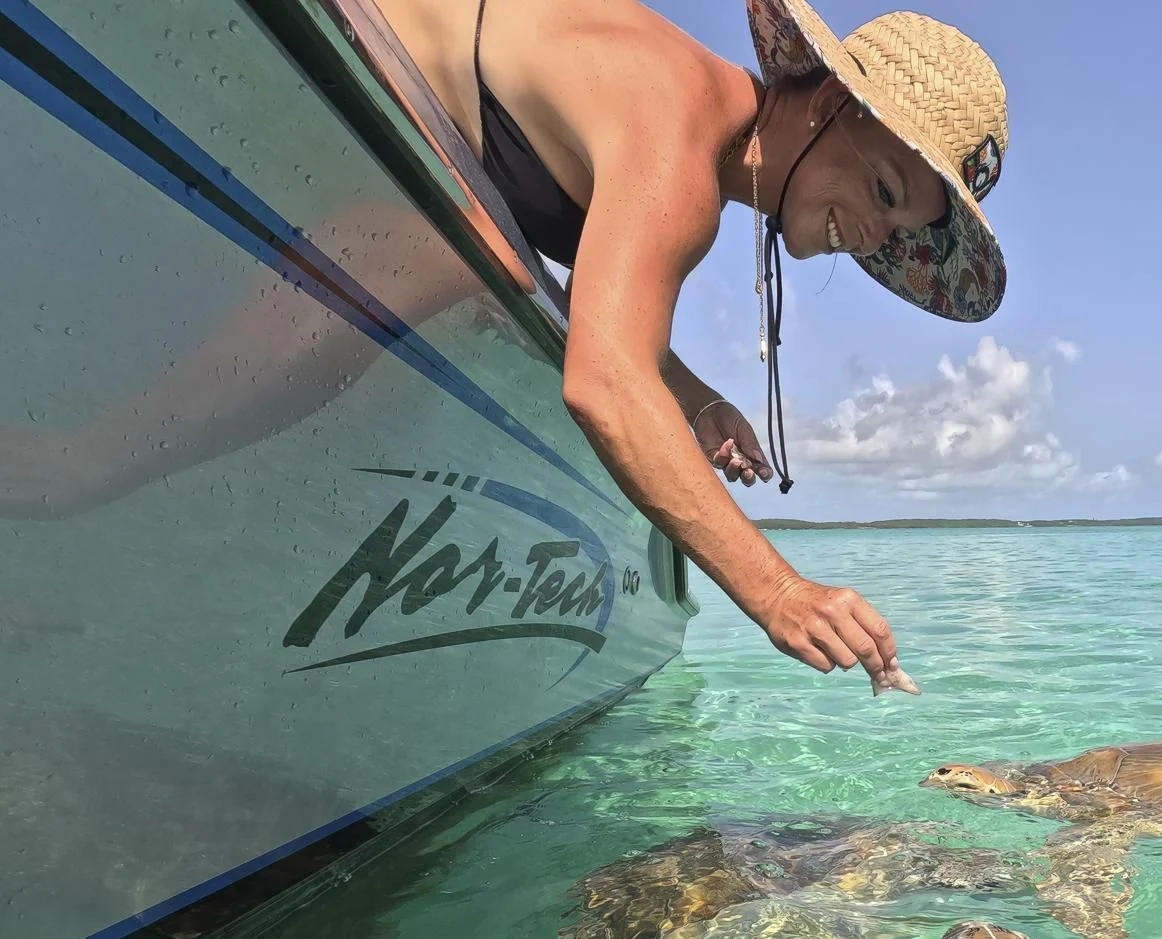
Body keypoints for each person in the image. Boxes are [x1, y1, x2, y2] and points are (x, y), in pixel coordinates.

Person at [6, 0, 1012, 695]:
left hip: (367, 166)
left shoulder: (696, 133)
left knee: (457, 255)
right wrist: (777, 589)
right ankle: (74, 466)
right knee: (440, 255)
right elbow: (604, 384)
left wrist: (692, 392)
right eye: (885, 192)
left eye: (902, 229)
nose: (880, 236)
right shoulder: (681, 137)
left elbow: (617, 323)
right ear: (825, 100)